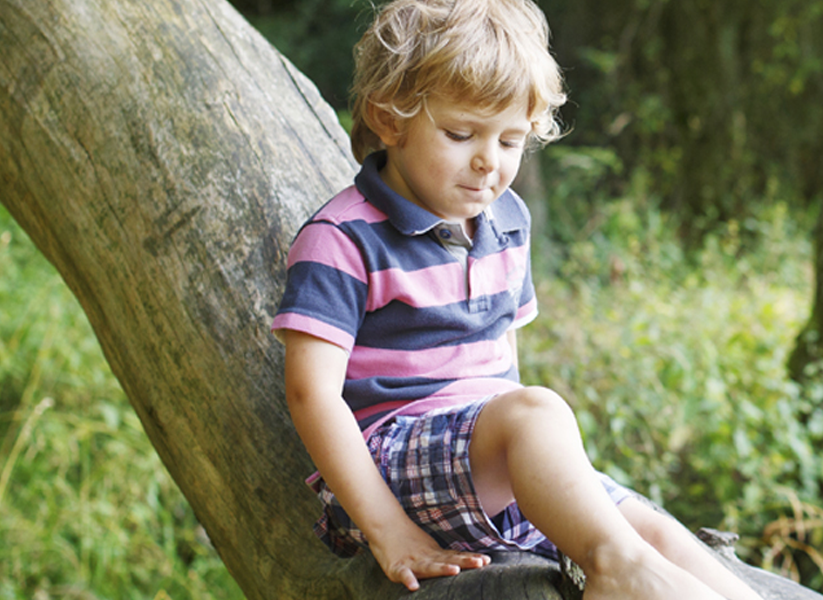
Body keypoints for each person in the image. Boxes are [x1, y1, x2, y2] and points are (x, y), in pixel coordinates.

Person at [271, 1, 763, 598]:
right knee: (539, 418)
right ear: (389, 119)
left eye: (511, 140)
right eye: (460, 134)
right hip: (390, 465)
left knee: (659, 535)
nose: (489, 162)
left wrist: (540, 480)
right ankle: (616, 575)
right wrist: (386, 529)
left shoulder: (506, 220)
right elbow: (311, 394)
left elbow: (503, 362)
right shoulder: (342, 238)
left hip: (490, 456)